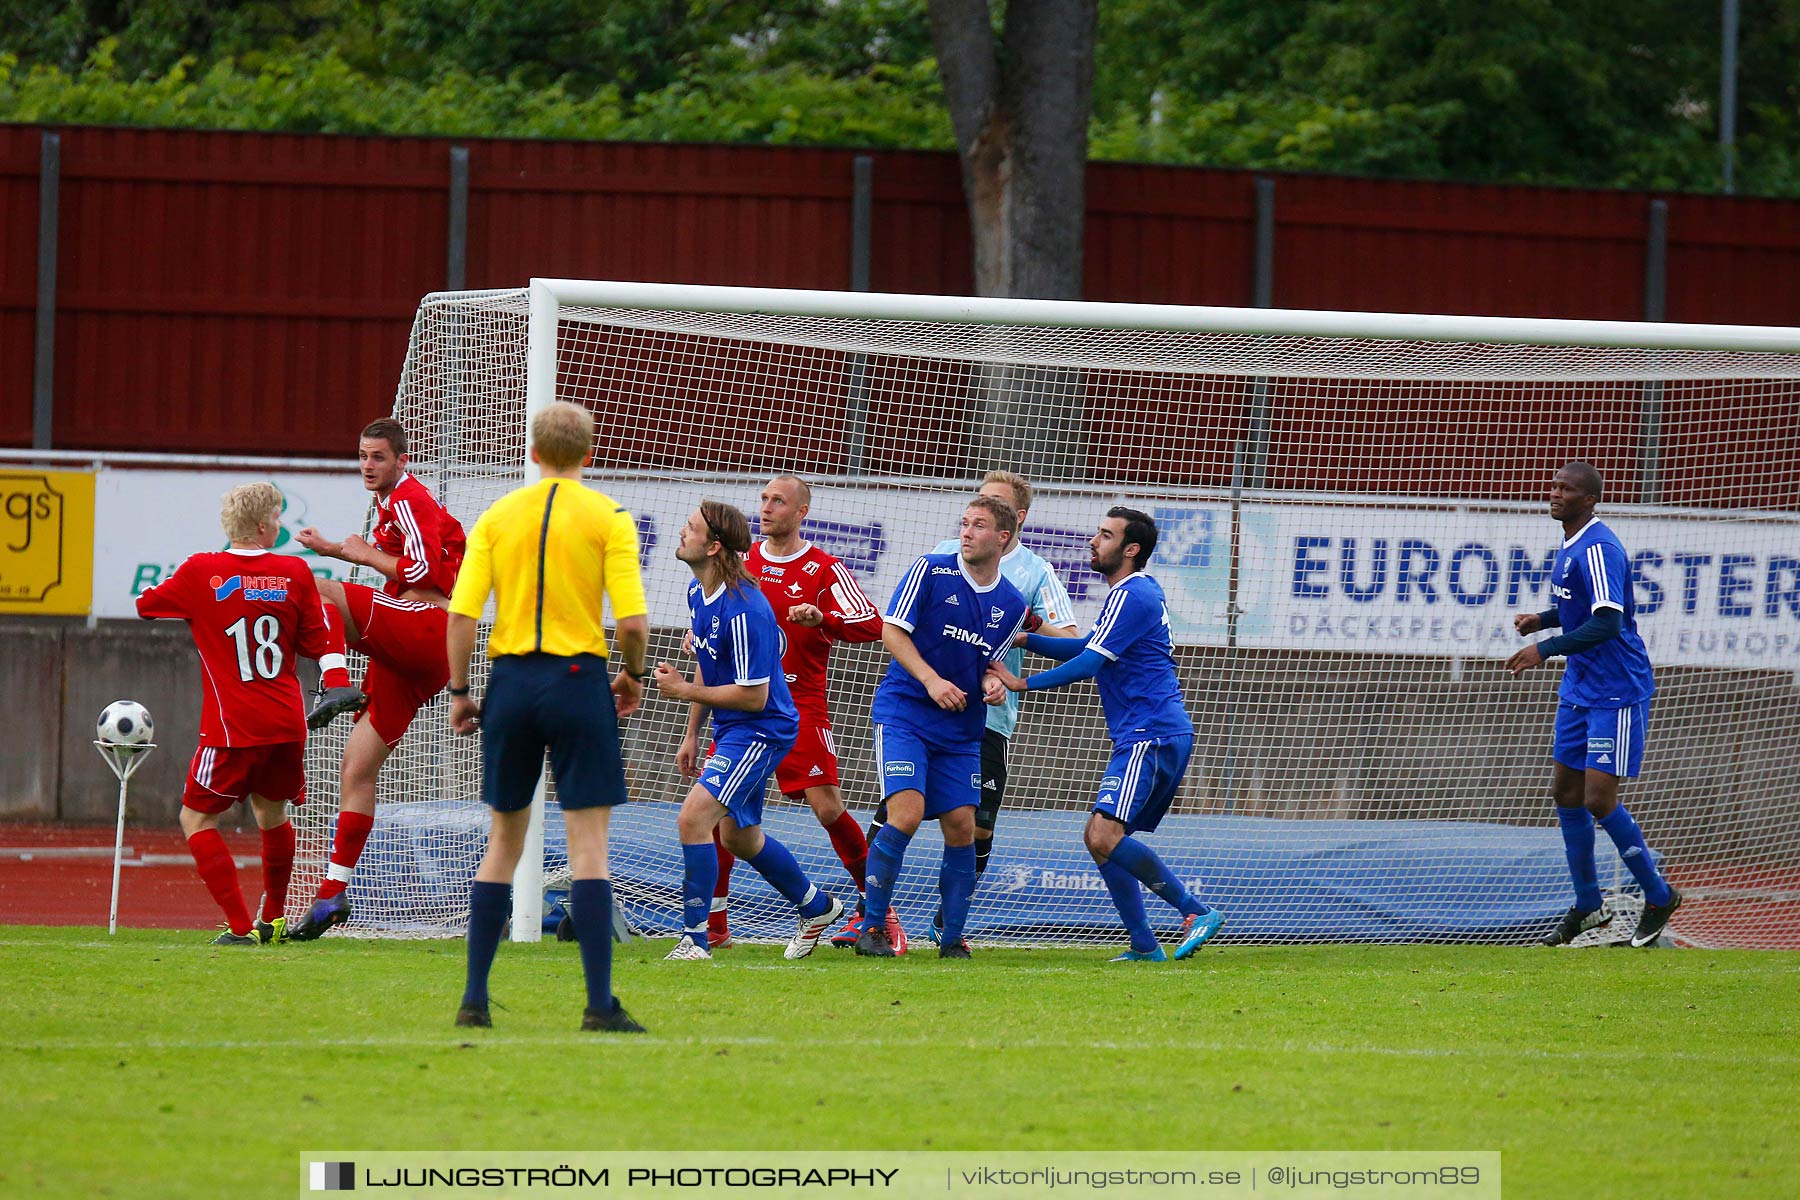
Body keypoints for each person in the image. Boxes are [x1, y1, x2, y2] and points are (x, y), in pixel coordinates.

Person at [445, 401, 649, 1032]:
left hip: (509, 680)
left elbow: (461, 617)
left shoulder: (498, 515)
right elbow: (634, 623)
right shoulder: (609, 517)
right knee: (589, 845)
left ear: (532, 451)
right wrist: (632, 676)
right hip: (576, 678)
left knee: (503, 842)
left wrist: (460, 691)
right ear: (589, 453)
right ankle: (598, 1005)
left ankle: (474, 1001)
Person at [847, 469, 1077, 946]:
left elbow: (989, 659)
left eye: (977, 524)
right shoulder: (931, 569)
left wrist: (994, 681)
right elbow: (892, 630)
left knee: (964, 828)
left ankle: (950, 939)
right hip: (908, 711)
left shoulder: (1014, 600)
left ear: (1004, 535)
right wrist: (931, 680)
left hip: (964, 727)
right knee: (904, 816)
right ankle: (871, 926)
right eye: (964, 522)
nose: (966, 532)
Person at [987, 507, 1224, 962]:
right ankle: (1143, 944)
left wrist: (1023, 682)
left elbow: (1091, 662)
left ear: (1130, 549)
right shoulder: (1133, 595)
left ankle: (1195, 912)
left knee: (1103, 836)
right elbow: (1086, 645)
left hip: (1149, 733)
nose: (1093, 541)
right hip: (1149, 732)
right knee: (1098, 836)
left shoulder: (1132, 594)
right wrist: (1028, 639)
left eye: (1105, 535)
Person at [136, 483, 352, 945]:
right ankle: (272, 918)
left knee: (195, 819)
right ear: (260, 525)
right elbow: (318, 640)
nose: (280, 525)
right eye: (277, 517)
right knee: (272, 814)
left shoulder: (201, 571)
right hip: (288, 724)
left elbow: (146, 604)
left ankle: (239, 927)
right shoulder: (295, 572)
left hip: (232, 728)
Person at [291, 417, 467, 939]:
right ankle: (332, 894)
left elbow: (426, 572)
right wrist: (337, 548)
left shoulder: (409, 498)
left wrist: (354, 552)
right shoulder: (390, 503)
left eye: (378, 458)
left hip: (428, 628)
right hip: (411, 654)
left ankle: (337, 681)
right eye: (363, 456)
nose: (368, 466)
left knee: (316, 590)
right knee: (357, 769)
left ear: (401, 461)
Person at [654, 501, 845, 961]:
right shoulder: (698, 593)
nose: (682, 532)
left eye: (691, 527)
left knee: (693, 820)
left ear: (714, 546)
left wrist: (682, 692)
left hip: (761, 729)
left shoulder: (745, 610)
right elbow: (707, 664)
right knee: (738, 837)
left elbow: (753, 696)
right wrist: (692, 731)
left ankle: (695, 939)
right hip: (734, 726)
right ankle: (816, 907)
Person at [705, 475, 888, 950]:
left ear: (801, 512)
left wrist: (823, 618)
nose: (766, 508)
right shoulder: (740, 566)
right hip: (743, 707)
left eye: (778, 501)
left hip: (798, 704)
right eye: (764, 499)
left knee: (827, 807)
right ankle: (716, 925)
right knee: (716, 813)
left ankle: (879, 911)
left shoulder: (824, 569)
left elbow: (874, 625)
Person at [1507, 461, 1680, 947]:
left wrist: (1543, 649)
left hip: (1616, 689)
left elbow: (1607, 622)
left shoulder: (1601, 547)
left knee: (1598, 799)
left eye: (1567, 489)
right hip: (1580, 687)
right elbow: (1576, 608)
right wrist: (1541, 620)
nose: (1555, 492)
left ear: (1589, 499)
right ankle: (1588, 904)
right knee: (1565, 793)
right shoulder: (1569, 544)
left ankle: (1659, 894)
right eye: (1554, 485)